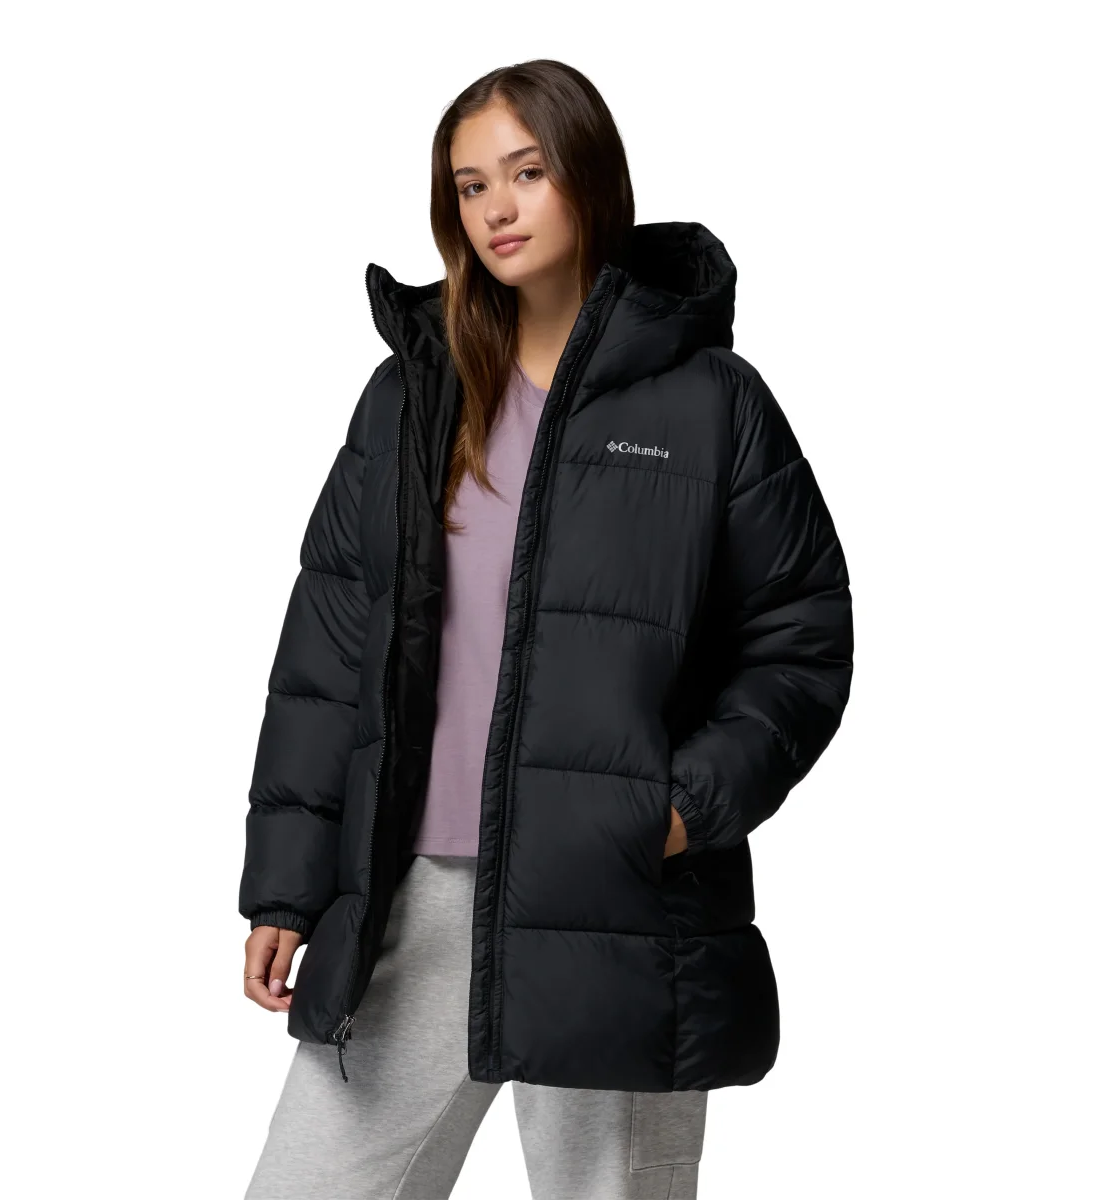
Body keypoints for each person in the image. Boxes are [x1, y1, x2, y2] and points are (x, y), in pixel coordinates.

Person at [239, 58, 853, 1200]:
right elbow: (327, 647)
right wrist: (285, 885)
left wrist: (678, 809)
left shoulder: (710, 402)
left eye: (526, 173)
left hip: (612, 893)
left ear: (588, 177)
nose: (497, 209)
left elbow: (799, 636)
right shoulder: (410, 396)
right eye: (470, 186)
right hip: (414, 885)